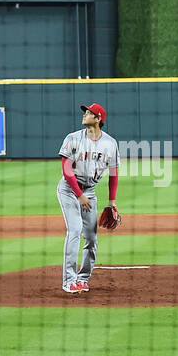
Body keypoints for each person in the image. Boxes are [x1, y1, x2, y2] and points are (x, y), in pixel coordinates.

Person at [57, 103, 120, 294]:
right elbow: (67, 170)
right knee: (75, 230)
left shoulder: (110, 143)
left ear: (99, 118)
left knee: (92, 237)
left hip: (90, 192)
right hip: (69, 190)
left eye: (89, 113)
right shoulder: (73, 138)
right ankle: (69, 280)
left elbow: (113, 173)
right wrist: (80, 195)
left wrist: (112, 202)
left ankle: (83, 278)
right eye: (85, 112)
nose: (85, 114)